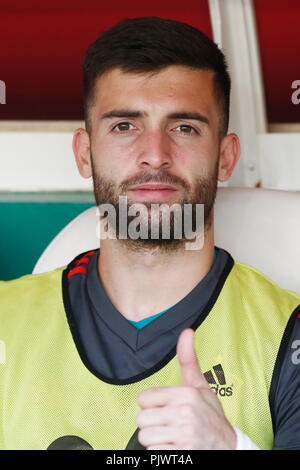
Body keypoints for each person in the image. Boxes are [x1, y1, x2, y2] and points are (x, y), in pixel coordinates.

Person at [0, 16, 300, 451]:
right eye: (124, 126)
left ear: (226, 157)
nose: (154, 155)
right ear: (85, 153)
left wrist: (229, 447)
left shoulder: (288, 338)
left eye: (184, 127)